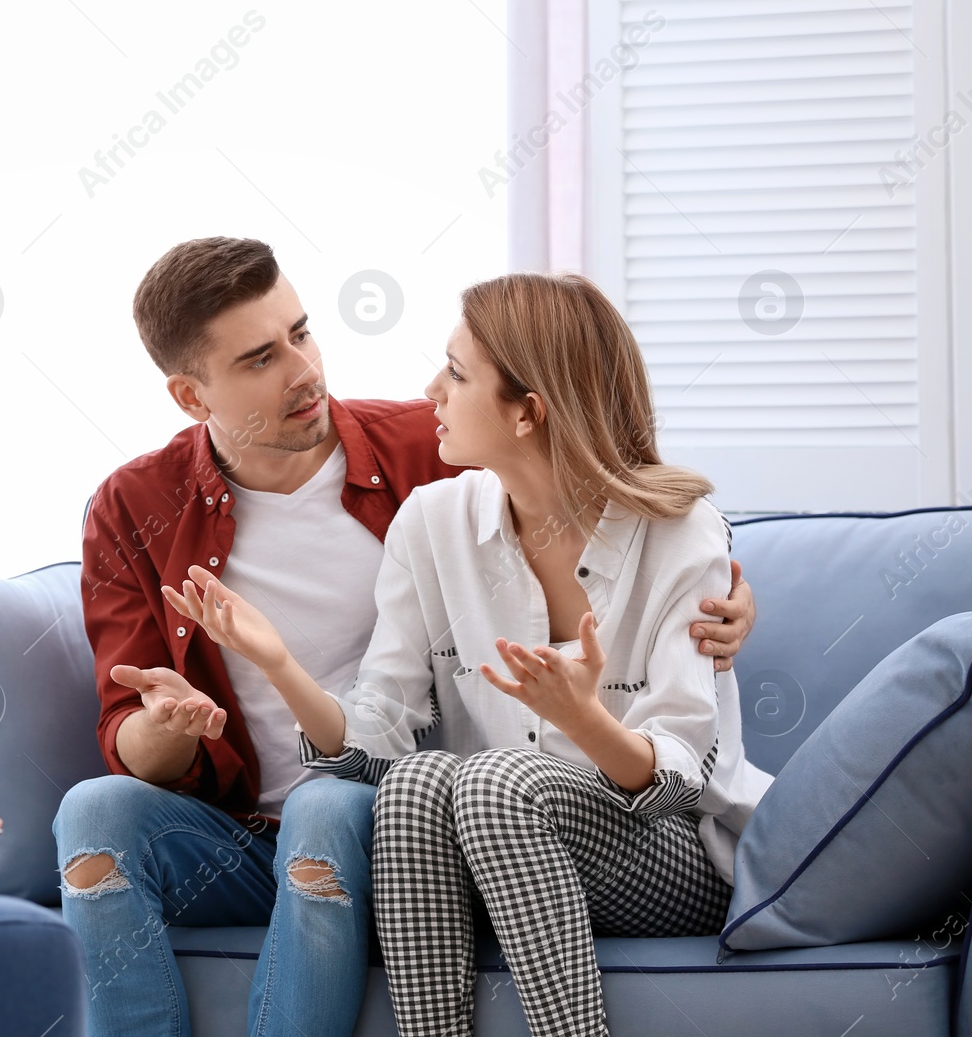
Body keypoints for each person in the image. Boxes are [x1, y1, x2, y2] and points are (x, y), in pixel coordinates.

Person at [56, 243, 758, 1037]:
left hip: (404, 809)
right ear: (191, 394)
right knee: (98, 809)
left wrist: (724, 593)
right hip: (281, 824)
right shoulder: (136, 506)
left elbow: (605, 470)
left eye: (302, 332)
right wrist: (189, 712)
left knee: (380, 795)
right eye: (261, 358)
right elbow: (133, 732)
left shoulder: (425, 451)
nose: (305, 369)